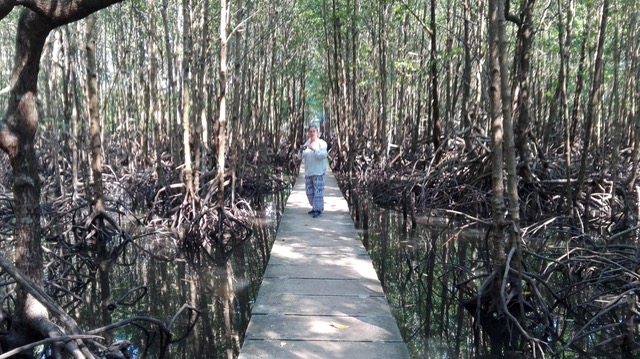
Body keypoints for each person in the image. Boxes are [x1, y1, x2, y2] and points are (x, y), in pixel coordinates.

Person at [296, 125, 328, 218]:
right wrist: (301, 150)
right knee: (309, 193)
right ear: (308, 133)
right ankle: (314, 207)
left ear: (317, 133)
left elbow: (322, 156)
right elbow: (299, 157)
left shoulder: (322, 143)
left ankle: (318, 210)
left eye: (314, 131)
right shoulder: (307, 143)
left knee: (318, 193)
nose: (312, 133)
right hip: (308, 172)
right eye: (310, 131)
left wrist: (314, 149)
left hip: (318, 172)